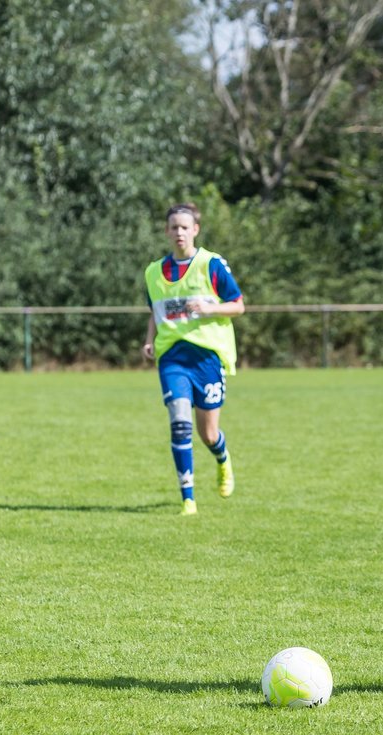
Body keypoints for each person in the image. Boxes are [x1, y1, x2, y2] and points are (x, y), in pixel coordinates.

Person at [141, 202, 245, 515]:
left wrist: (210, 308)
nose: (179, 233)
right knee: (180, 425)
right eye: (174, 227)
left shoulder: (212, 265)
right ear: (166, 231)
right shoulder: (153, 272)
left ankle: (222, 458)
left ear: (195, 230)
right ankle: (189, 498)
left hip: (208, 358)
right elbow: (154, 312)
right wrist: (149, 341)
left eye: (185, 227)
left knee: (207, 433)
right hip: (173, 357)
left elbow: (238, 305)